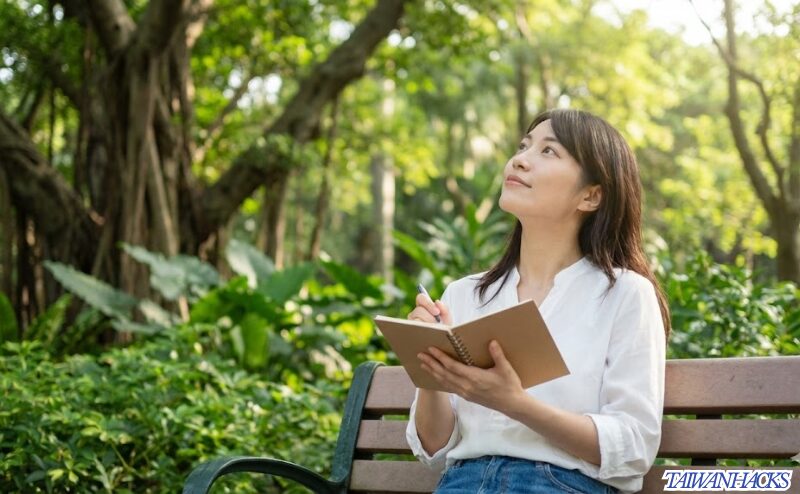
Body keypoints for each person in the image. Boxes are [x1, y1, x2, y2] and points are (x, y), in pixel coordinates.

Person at [405, 108, 670, 494]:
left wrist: (514, 403)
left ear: (591, 195)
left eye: (549, 152)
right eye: (524, 146)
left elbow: (633, 446)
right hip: (461, 483)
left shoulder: (626, 294)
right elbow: (433, 448)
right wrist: (429, 369)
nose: (520, 160)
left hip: (561, 485)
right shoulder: (465, 294)